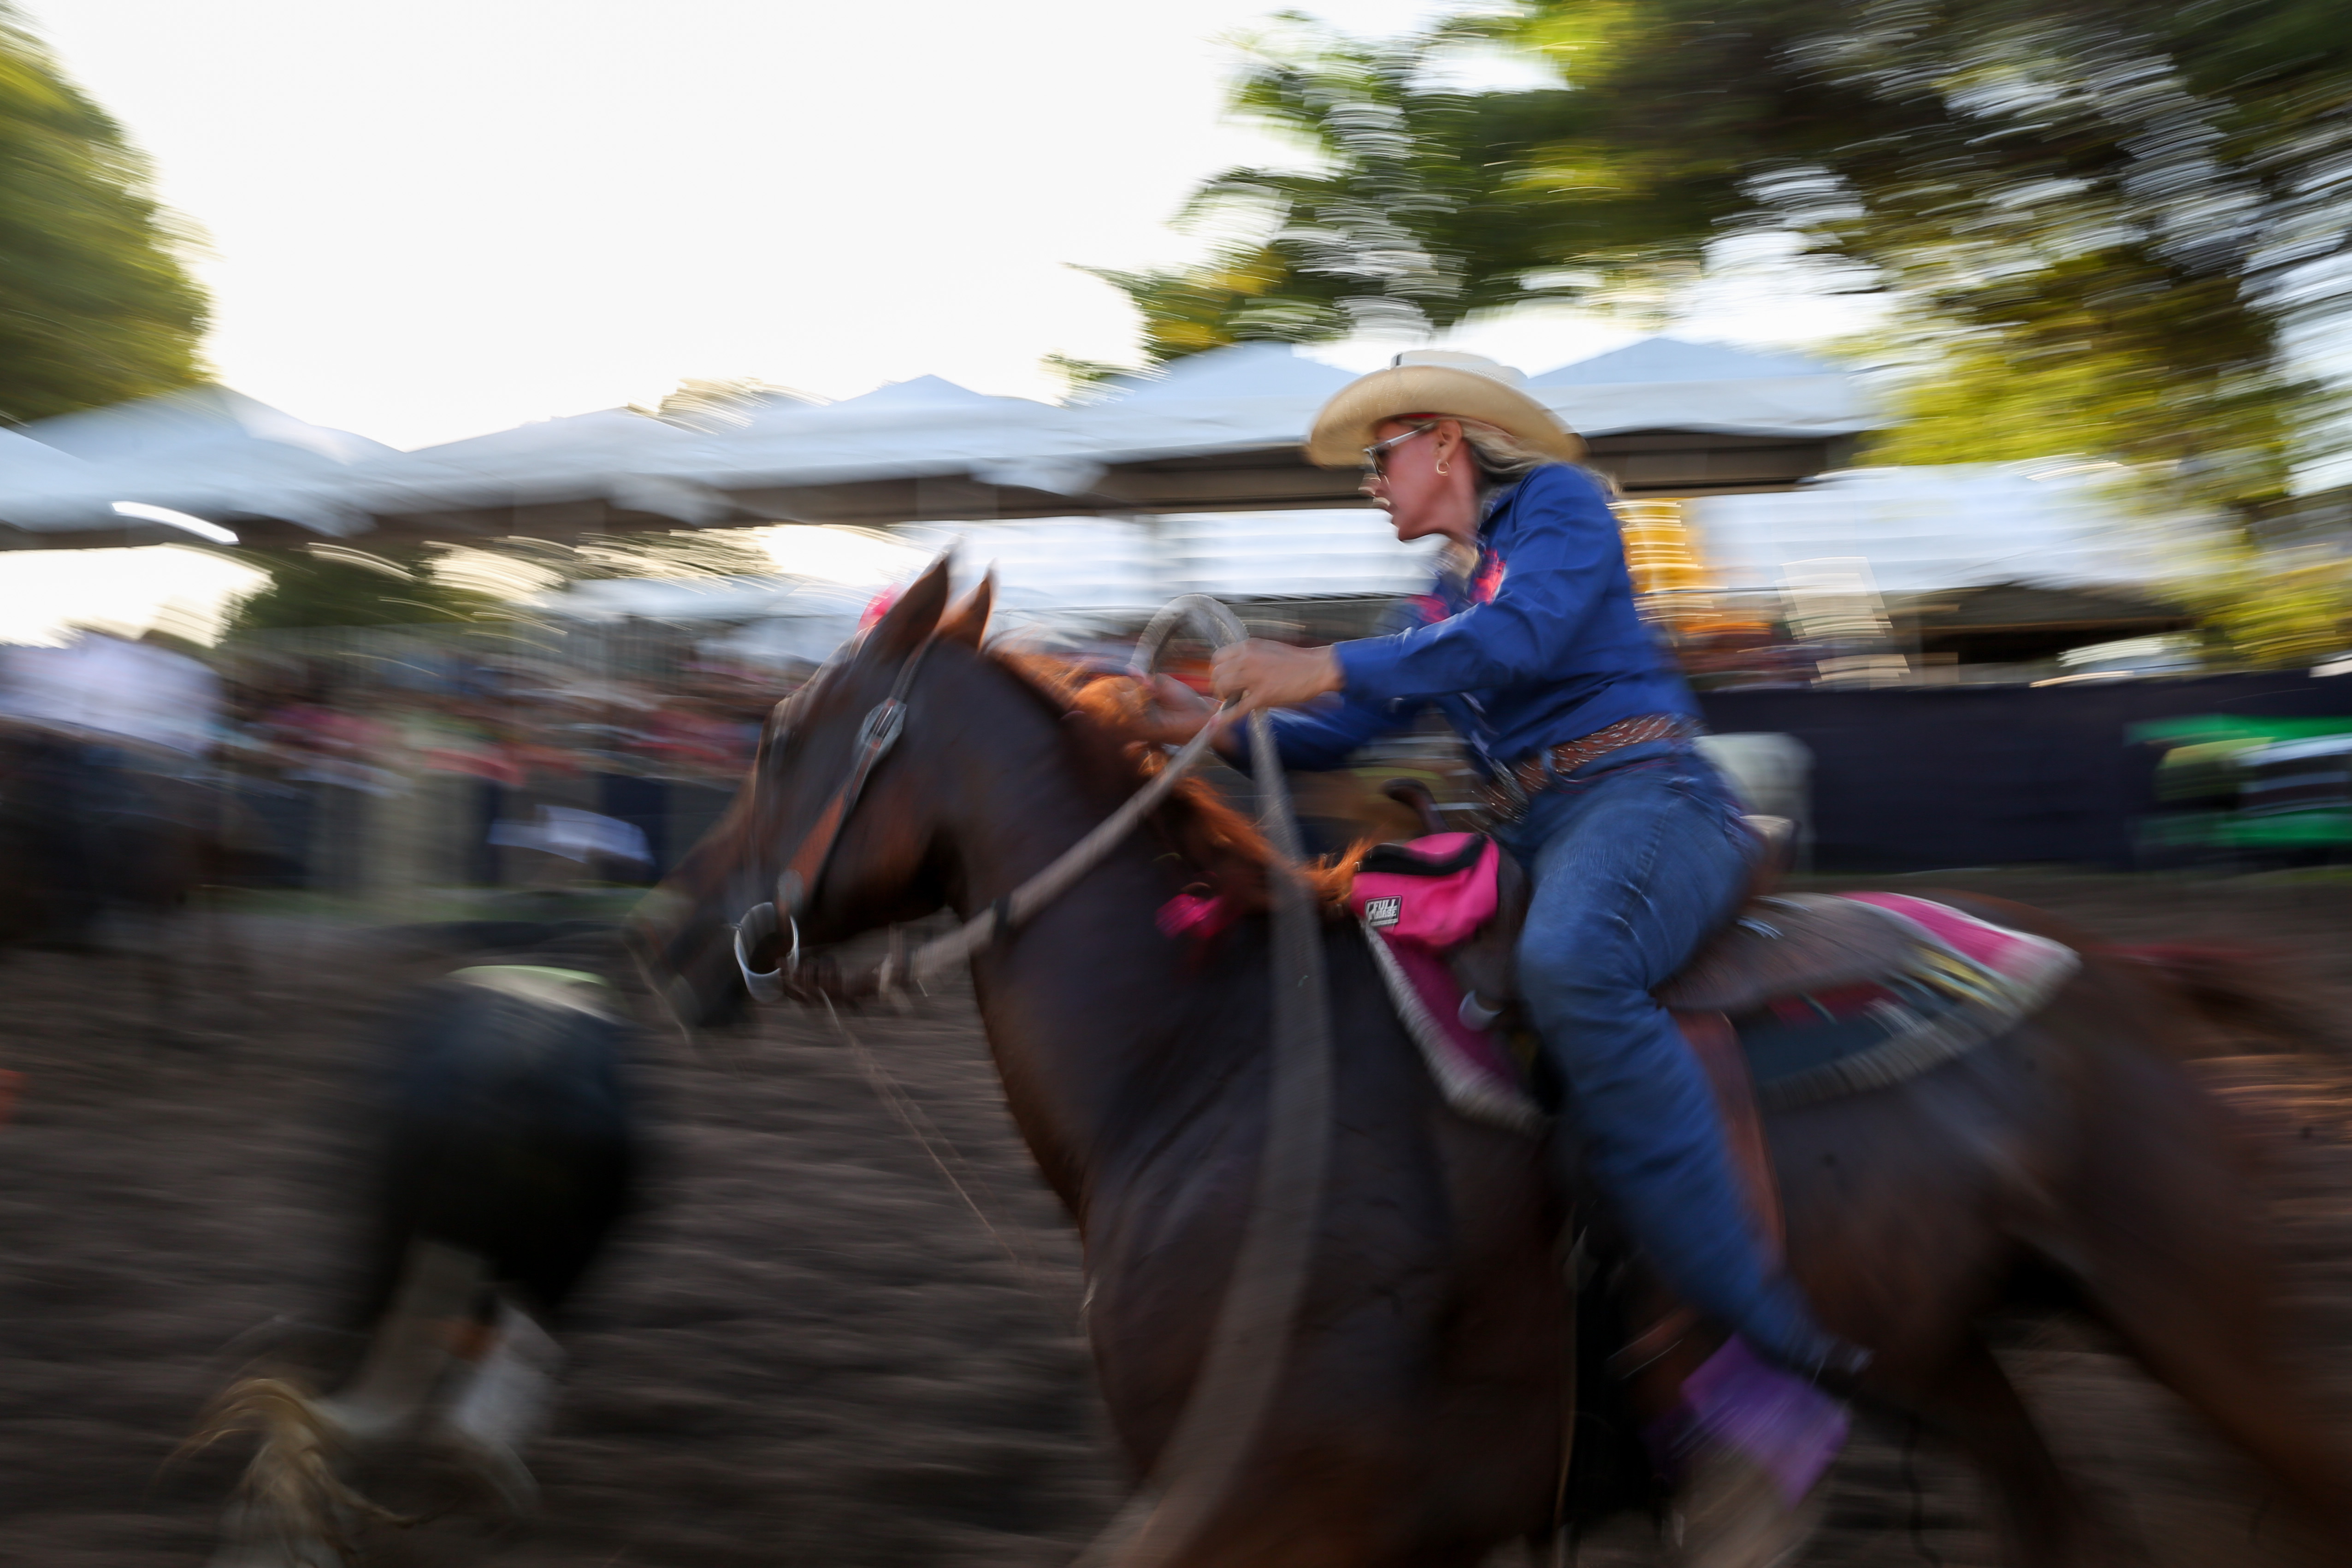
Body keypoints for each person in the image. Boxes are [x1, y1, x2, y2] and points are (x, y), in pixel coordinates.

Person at [1146, 350, 1865, 1558]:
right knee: (1400, 986)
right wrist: (1197, 720)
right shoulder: (1423, 601)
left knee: (1576, 969)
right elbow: (1335, 734)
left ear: (1445, 441)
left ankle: (1763, 1326)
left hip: (1650, 802)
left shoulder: (1565, 511)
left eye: (1379, 457)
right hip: (1538, 827)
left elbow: (1517, 641)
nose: (1370, 482)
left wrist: (1315, 664)